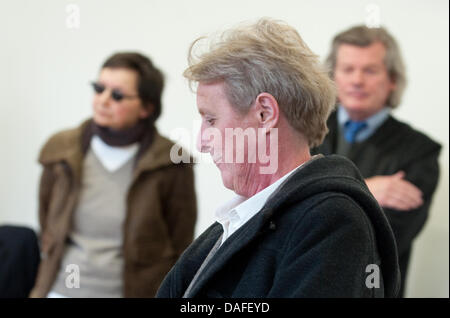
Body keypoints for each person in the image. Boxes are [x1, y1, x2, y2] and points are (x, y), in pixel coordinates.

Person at [156, 18, 400, 298]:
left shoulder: (331, 222)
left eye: (211, 120)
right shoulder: (245, 216)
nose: (202, 142)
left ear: (264, 114)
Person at [29, 52, 197, 298]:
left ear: (146, 107)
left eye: (117, 95)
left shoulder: (171, 160)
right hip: (60, 291)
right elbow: (48, 225)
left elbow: (181, 240)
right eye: (99, 89)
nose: (103, 100)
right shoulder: (61, 149)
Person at [313, 25, 442, 297]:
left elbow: (379, 242)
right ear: (332, 76)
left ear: (392, 79)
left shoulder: (421, 152)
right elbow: (275, 209)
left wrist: (314, 201)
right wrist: (366, 190)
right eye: (347, 69)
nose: (357, 80)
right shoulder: (306, 133)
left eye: (370, 70)